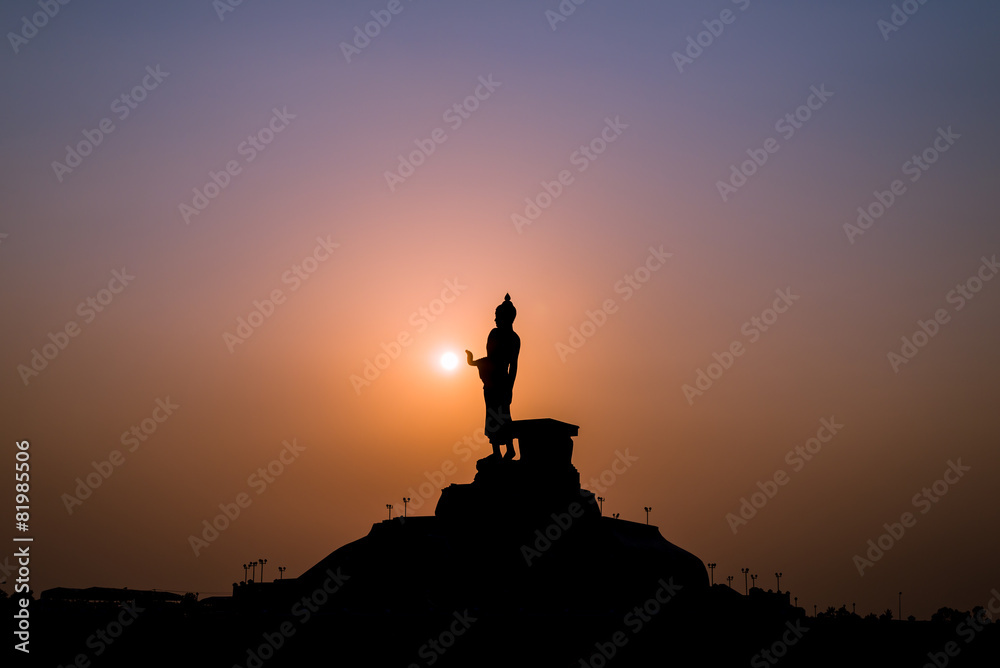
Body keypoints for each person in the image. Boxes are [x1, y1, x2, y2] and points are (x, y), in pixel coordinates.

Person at [466, 294, 520, 459]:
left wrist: (510, 388)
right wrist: (473, 362)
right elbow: (494, 361)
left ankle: (506, 450)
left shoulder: (506, 337)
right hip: (495, 382)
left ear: (506, 318)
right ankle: (498, 451)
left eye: (497, 316)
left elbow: (508, 364)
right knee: (494, 414)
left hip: (499, 382)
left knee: (500, 414)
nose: (495, 320)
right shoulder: (506, 336)